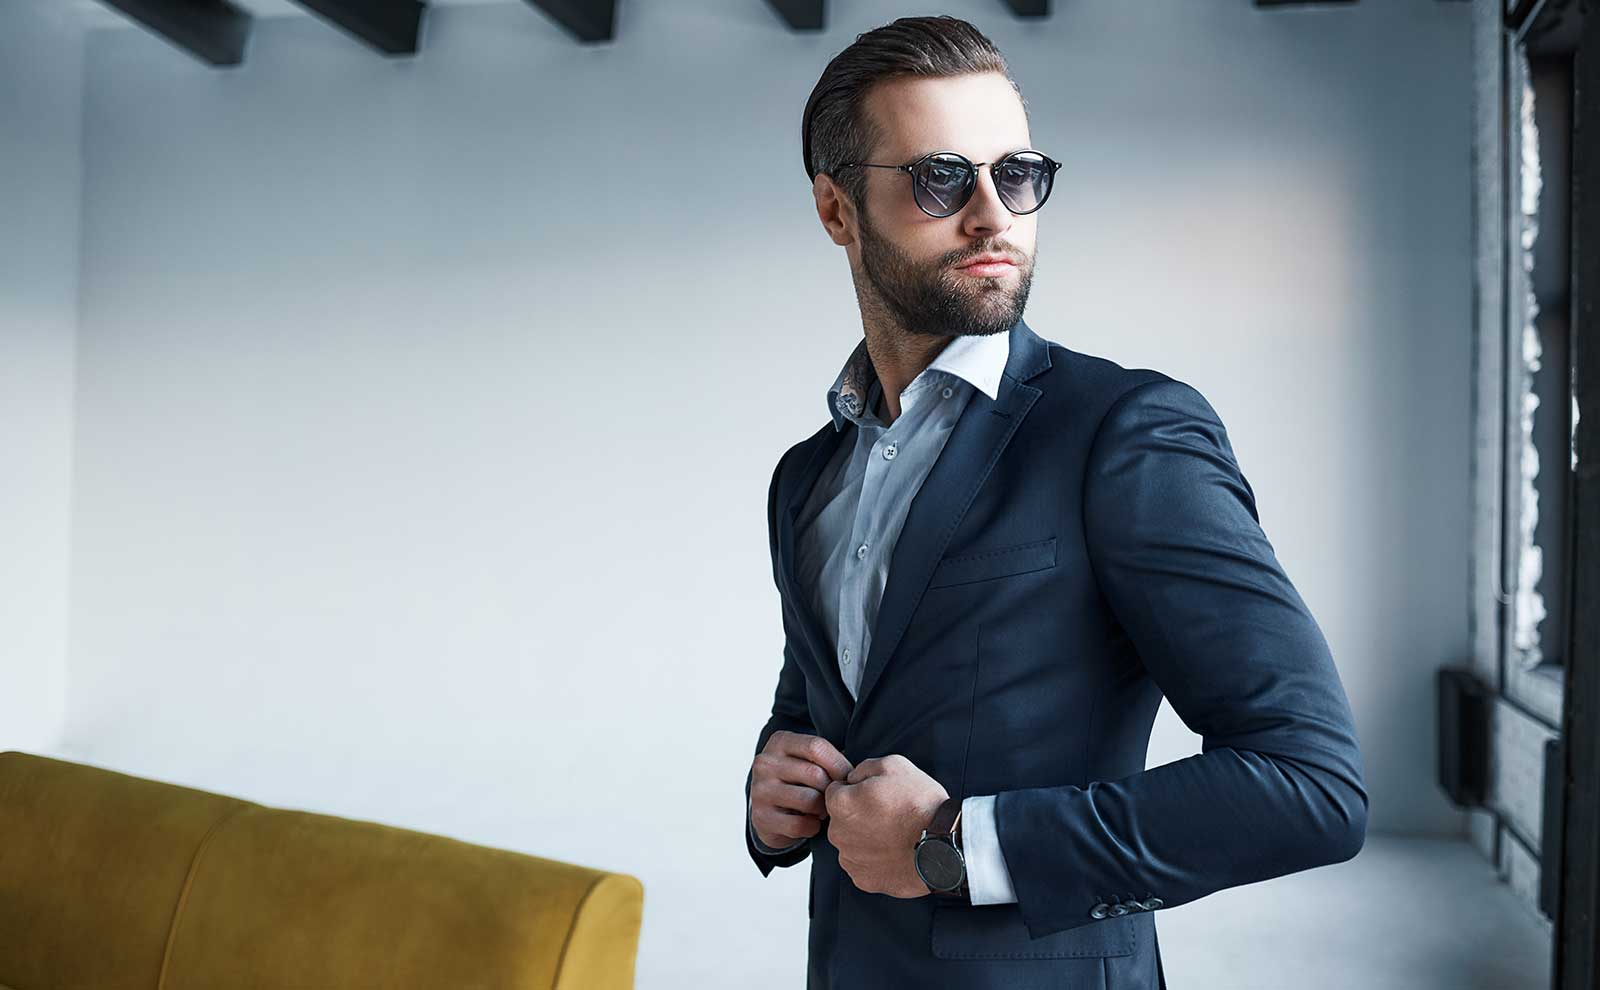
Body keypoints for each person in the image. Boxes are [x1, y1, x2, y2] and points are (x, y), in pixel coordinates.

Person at [743, 14, 1367, 990]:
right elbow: (827, 699)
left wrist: (958, 841)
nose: (994, 215)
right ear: (835, 210)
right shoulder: (807, 475)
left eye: (1018, 174)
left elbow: (1310, 786)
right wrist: (775, 787)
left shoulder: (1127, 432)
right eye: (941, 178)